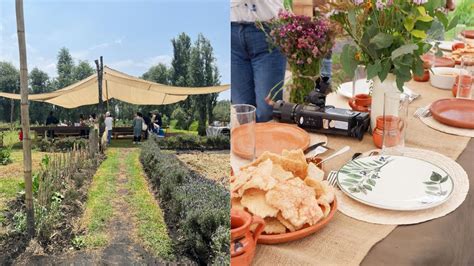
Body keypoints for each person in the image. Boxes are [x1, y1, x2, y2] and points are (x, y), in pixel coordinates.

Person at [231, 0, 287, 122]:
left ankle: (269, 140)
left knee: (267, 111)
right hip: (231, 33)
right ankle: (249, 140)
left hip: (267, 30)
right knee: (243, 111)